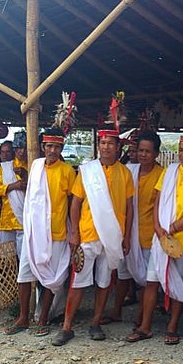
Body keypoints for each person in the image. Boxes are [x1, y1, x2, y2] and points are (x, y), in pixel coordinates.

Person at [52, 129, 134, 346]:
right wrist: (74, 232)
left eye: (110, 143)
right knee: (78, 281)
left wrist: (126, 237)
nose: (105, 147)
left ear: (118, 147)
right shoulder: (87, 171)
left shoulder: (125, 174)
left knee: (105, 282)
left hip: (112, 236)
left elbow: (129, 206)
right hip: (87, 234)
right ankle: (67, 327)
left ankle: (96, 323)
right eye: (102, 143)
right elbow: (76, 203)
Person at [127, 134, 183, 344]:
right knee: (152, 280)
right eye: (181, 150)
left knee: (179, 283)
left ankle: (172, 327)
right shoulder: (171, 172)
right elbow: (158, 200)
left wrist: (173, 227)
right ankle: (145, 326)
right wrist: (157, 226)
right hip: (161, 236)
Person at [7, 130, 76, 336]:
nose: (52, 151)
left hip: (56, 232)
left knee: (50, 277)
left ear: (61, 149)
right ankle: (23, 317)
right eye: (49, 146)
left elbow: (72, 203)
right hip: (34, 232)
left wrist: (74, 232)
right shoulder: (36, 166)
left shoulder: (67, 171)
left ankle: (43, 318)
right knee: (24, 275)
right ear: (43, 147)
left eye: (56, 147)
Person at [105, 131, 163, 326]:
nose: (143, 155)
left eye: (147, 151)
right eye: (140, 151)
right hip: (127, 232)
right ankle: (116, 311)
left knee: (148, 280)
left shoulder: (162, 175)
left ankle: (142, 318)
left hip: (149, 235)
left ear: (156, 154)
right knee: (123, 275)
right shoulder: (129, 171)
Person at [0, 140, 27, 257]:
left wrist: (26, 176)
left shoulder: (32, 165)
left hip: (24, 218)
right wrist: (12, 186)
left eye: (8, 152)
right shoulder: (4, 168)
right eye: (2, 153)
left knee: (24, 257)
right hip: (7, 218)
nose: (21, 152)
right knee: (6, 258)